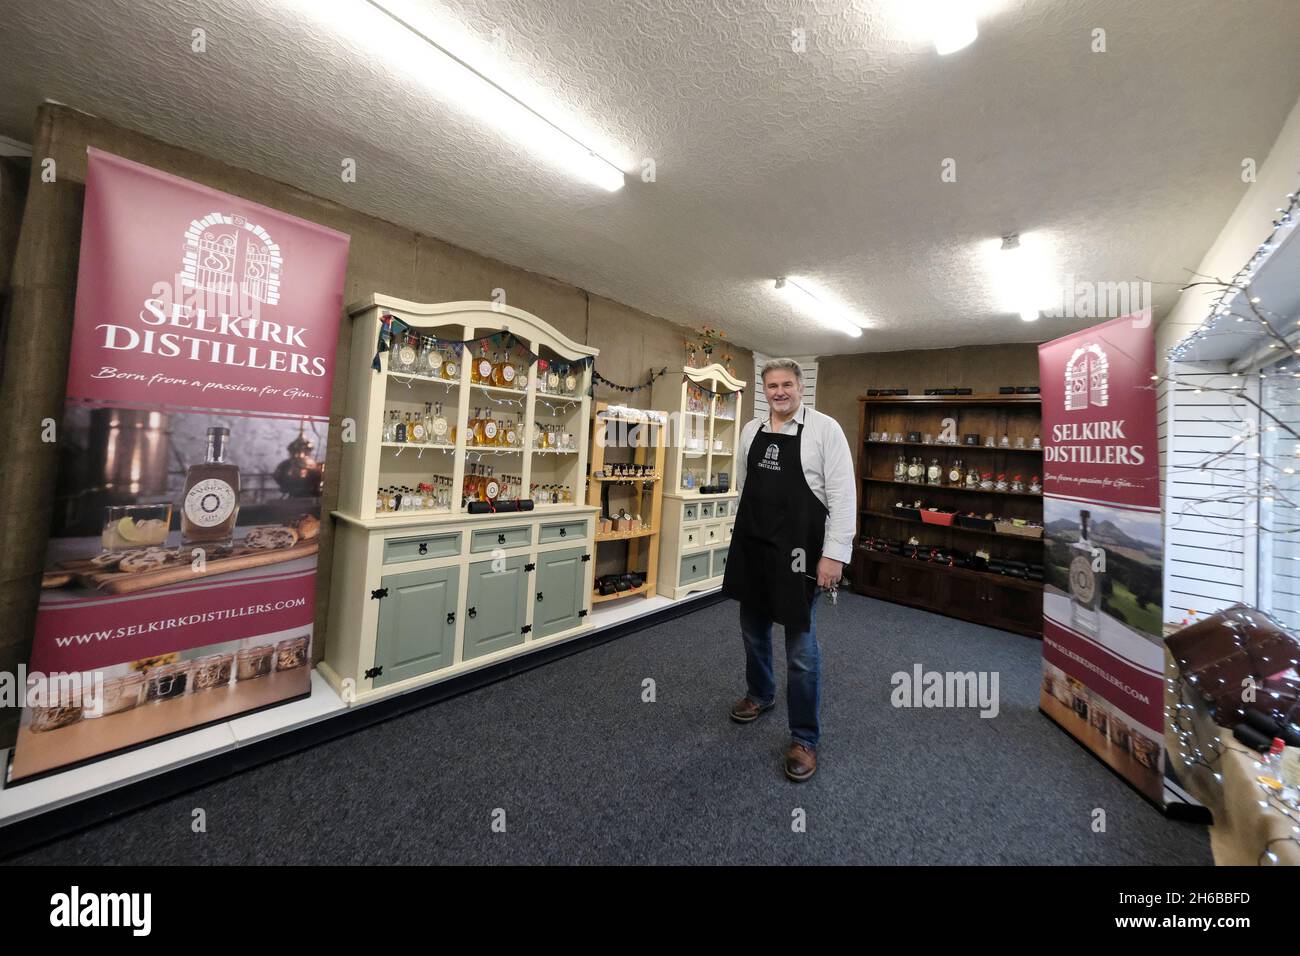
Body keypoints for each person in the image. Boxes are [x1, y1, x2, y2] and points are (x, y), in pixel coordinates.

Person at [720, 358, 855, 781]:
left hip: (801, 553)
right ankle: (760, 693)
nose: (780, 392)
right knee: (752, 629)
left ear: (801, 387)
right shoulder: (751, 432)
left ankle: (804, 738)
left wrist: (834, 555)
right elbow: (745, 487)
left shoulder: (825, 430)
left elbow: (843, 497)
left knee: (801, 650)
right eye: (772, 386)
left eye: (787, 385)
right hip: (756, 546)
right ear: (765, 391)